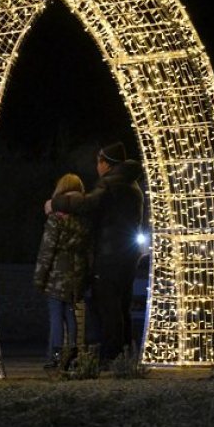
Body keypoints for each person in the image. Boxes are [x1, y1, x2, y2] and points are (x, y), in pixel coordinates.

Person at [46, 142, 143, 362]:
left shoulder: (111, 184)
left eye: (98, 162)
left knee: (107, 306)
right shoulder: (132, 185)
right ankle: (125, 354)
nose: (97, 167)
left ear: (105, 164)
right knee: (122, 307)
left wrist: (57, 202)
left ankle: (110, 356)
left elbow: (87, 203)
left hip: (109, 256)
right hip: (127, 256)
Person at [33, 173, 91, 370]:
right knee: (71, 314)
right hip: (76, 275)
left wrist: (39, 277)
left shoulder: (56, 219)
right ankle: (73, 355)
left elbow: (47, 250)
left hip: (57, 276)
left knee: (56, 315)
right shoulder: (83, 219)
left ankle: (56, 356)